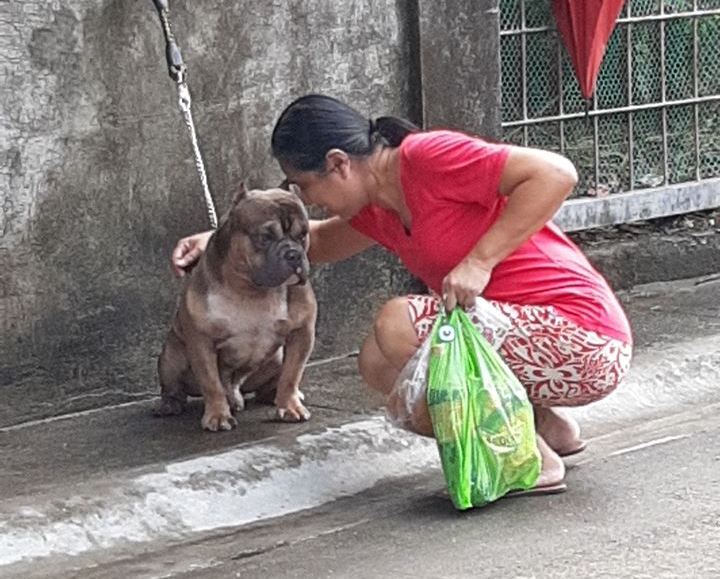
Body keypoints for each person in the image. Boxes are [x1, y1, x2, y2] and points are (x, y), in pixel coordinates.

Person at [173, 94, 632, 494]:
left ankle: (523, 457)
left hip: (583, 337)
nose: (307, 200)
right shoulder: (378, 207)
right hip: (526, 344)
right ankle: (543, 424)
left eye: (304, 184)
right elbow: (319, 241)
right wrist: (218, 239)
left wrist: (480, 261)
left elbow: (555, 173)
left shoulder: (427, 157)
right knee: (378, 364)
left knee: (397, 323)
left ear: (338, 163)